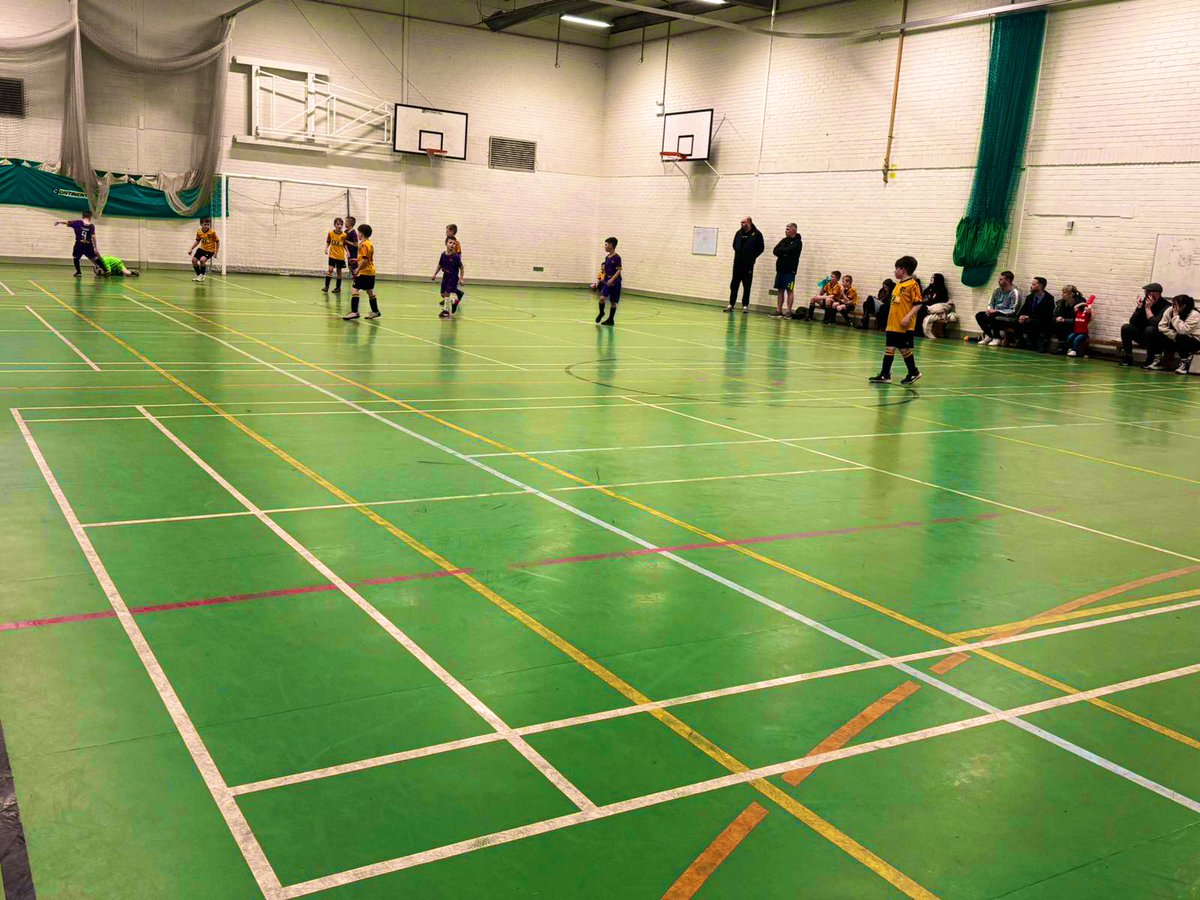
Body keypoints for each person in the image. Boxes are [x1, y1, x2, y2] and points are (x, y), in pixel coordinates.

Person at [868, 256, 922, 385]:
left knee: (903, 349)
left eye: (896, 268)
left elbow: (918, 303)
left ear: (902, 270)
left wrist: (908, 317)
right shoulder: (898, 285)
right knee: (890, 348)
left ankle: (913, 372)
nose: (895, 271)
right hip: (893, 324)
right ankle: (885, 374)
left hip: (903, 325)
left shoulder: (912, 284)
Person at [1120, 282, 1170, 367]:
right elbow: (1132, 322)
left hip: (1158, 338)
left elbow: (1155, 324)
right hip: (1144, 336)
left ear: (1157, 293)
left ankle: (1150, 359)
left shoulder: (1166, 306)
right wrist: (1139, 309)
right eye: (1146, 292)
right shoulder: (1144, 302)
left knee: (1150, 329)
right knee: (1126, 327)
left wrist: (1148, 308)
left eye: (1148, 292)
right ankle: (1128, 357)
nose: (1146, 294)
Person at [1151, 294, 1200, 373]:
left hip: (1194, 341)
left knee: (1181, 337)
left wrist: (1175, 317)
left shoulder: (1194, 314)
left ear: (1183, 306)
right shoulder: (1170, 310)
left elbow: (1183, 331)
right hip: (1174, 337)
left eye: (1175, 304)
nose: (1173, 306)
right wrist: (1173, 335)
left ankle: (1184, 364)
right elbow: (1161, 326)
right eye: (1172, 303)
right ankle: (1158, 361)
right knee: (1156, 333)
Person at [726, 216, 763, 313]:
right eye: (741, 222)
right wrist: (739, 254)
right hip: (737, 263)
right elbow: (734, 245)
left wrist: (752, 256)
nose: (742, 224)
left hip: (748, 264)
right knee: (734, 284)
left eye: (744, 222)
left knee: (747, 285)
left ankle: (745, 305)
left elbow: (761, 248)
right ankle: (731, 304)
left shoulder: (757, 234)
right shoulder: (738, 233)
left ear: (749, 222)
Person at [341, 223, 378, 320]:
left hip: (365, 272)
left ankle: (354, 312)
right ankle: (375, 311)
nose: (358, 234)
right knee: (370, 291)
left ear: (361, 234)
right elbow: (365, 258)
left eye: (358, 233)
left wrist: (358, 269)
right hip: (371, 271)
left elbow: (365, 260)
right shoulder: (369, 243)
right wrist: (356, 260)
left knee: (355, 289)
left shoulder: (363, 244)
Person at [975, 270, 1021, 346]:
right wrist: (990, 310)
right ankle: (990, 335)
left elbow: (1014, 310)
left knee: (995, 316)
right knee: (980, 315)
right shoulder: (997, 291)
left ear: (1008, 280)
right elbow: (991, 303)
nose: (998, 281)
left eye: (1001, 279)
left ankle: (997, 337)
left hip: (1008, 316)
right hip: (994, 313)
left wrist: (997, 311)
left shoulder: (1015, 292)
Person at [769, 223, 802, 318]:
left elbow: (790, 251)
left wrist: (782, 251)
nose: (786, 231)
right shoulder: (784, 240)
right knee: (780, 290)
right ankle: (778, 310)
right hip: (780, 269)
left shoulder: (798, 242)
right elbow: (775, 250)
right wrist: (784, 252)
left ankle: (789, 311)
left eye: (788, 229)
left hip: (790, 270)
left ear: (794, 230)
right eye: (786, 229)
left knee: (789, 290)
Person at [1015, 277, 1055, 351]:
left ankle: (1034, 343)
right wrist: (1021, 316)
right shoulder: (1030, 297)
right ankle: (1021, 342)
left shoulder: (1049, 299)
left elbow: (1046, 315)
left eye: (1033, 284)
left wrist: (1028, 317)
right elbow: (1023, 309)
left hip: (1042, 321)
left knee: (1032, 322)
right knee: (1016, 321)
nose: (1031, 286)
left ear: (1040, 286)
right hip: (1029, 319)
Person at [55, 211, 100, 277]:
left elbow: (67, 222)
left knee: (76, 257)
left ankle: (79, 272)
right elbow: (93, 236)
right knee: (92, 257)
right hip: (88, 245)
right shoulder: (91, 226)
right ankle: (101, 267)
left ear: (82, 216)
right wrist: (95, 247)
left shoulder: (78, 223)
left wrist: (59, 221)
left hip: (79, 244)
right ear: (90, 217)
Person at [593, 237, 622, 326]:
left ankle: (610, 319)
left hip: (615, 282)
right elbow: (606, 269)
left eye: (606, 245)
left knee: (613, 302)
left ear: (611, 245)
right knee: (602, 298)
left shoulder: (617, 257)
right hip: (606, 281)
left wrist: (612, 279)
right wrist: (603, 278)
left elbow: (619, 270)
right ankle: (601, 312)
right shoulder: (607, 257)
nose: (604, 247)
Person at [433, 238, 465, 319]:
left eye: (454, 243)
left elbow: (461, 267)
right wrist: (435, 274)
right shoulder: (443, 255)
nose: (452, 245)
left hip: (453, 276)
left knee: (447, 293)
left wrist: (461, 278)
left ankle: (446, 311)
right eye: (450, 242)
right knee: (442, 294)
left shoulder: (456, 257)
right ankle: (455, 301)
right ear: (446, 243)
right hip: (445, 276)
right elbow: (439, 265)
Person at [1052, 285, 1083, 353]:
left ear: (1071, 294)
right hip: (1063, 324)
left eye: (1064, 293)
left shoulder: (1080, 304)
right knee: (1054, 323)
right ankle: (1062, 345)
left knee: (1063, 325)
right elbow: (1054, 315)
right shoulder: (1061, 303)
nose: (1062, 295)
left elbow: (1080, 319)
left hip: (1075, 325)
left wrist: (1065, 320)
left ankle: (1065, 347)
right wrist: (1057, 318)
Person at [187, 217, 220, 282]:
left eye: (208, 224)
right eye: (205, 224)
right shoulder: (199, 232)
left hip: (210, 250)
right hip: (202, 249)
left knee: (202, 260)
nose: (207, 226)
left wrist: (216, 253)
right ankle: (199, 276)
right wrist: (191, 249)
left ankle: (203, 274)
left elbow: (217, 241)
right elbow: (197, 241)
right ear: (201, 224)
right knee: (194, 261)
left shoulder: (212, 232)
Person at [323, 218, 348, 294]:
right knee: (330, 269)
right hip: (332, 255)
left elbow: (344, 244)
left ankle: (338, 287)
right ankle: (326, 287)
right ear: (334, 225)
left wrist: (348, 252)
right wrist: (326, 248)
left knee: (339, 272)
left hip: (340, 256)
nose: (339, 226)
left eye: (341, 224)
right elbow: (328, 242)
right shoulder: (330, 233)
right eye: (338, 224)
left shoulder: (344, 235)